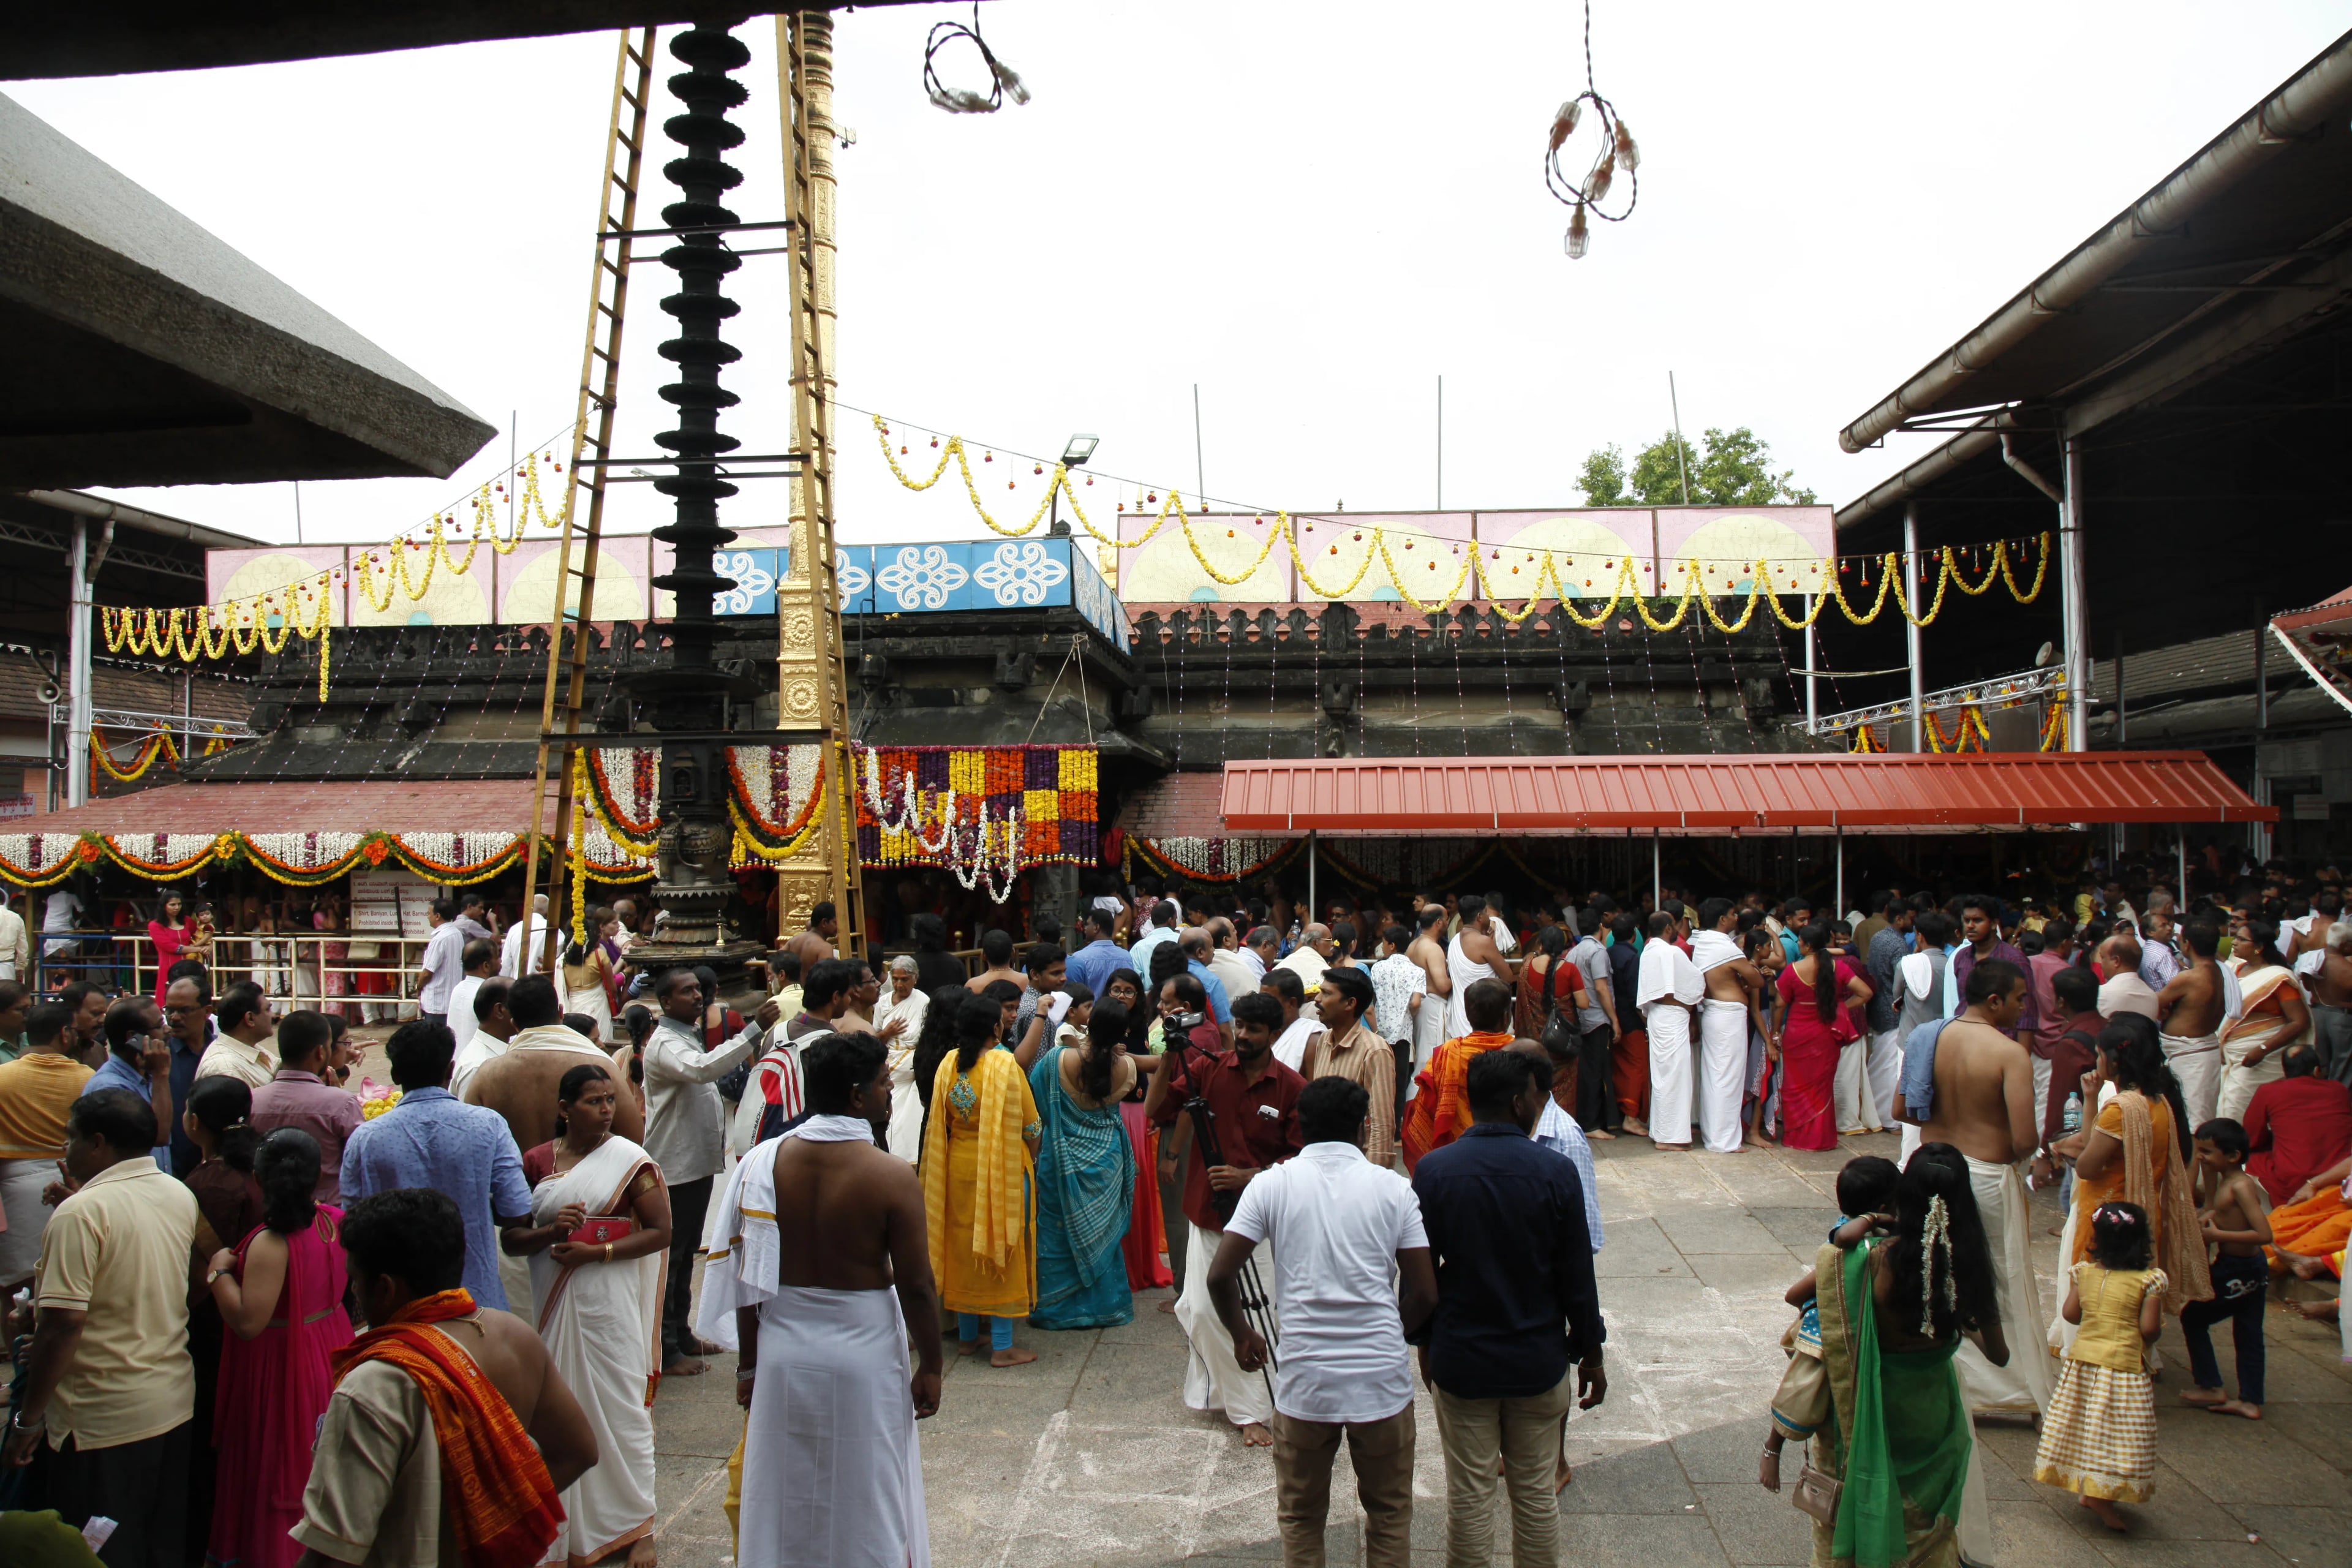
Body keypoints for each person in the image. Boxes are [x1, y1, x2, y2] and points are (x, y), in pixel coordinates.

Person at [695, 1031, 943, 1568]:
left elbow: (748, 1274)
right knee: (868, 1485)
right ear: (857, 1097)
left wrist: (749, 1364)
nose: (890, 1094)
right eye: (882, 1084)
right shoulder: (891, 1176)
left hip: (784, 1347)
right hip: (864, 1351)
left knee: (790, 1490)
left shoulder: (764, 1163)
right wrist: (932, 1364)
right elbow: (917, 1286)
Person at [291, 1187, 595, 1568]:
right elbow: (579, 1451)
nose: (353, 1290)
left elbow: (331, 1552)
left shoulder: (373, 1385)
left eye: (355, 1279)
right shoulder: (515, 1336)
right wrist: (490, 1522)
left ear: (384, 1287)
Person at [1207, 1076, 1435, 1568]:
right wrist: (1390, 1335)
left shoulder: (1272, 1184)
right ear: (1364, 1126)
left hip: (1304, 1382)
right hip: (1381, 1383)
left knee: (1301, 1517)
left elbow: (1220, 1274)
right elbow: (1424, 1291)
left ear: (1301, 1126)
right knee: (1390, 1514)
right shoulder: (1395, 1190)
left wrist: (1242, 1334)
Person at [1411, 1047, 1606, 1568]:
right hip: (1537, 1356)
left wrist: (1424, 1341)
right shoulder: (1555, 1172)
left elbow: (1420, 1276)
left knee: (1470, 1500)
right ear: (1521, 1102)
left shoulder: (1433, 1171)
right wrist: (1591, 1351)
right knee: (1536, 1497)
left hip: (1462, 1354)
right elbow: (1577, 1277)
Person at [1, 1089, 202, 1567]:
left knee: (98, 1549)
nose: (63, 1151)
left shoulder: (81, 1214)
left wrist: (27, 1421)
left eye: (68, 1139)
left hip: (101, 1420)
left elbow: (61, 1327)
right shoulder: (176, 1191)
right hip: (171, 1401)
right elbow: (186, 1281)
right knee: (157, 1541)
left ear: (96, 1144)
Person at [503, 1063, 671, 1568]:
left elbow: (660, 1232)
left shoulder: (630, 1161)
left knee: (622, 1411)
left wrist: (595, 1255)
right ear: (564, 1109)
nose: (605, 1111)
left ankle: (639, 1523)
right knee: (556, 1413)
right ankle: (561, 1527)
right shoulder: (536, 1161)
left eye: (609, 1101)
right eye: (593, 1102)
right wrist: (553, 1231)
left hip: (609, 1308)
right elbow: (513, 1238)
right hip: (551, 1302)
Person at [1803, 1142, 2000, 1568]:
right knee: (1923, 1516)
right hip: (1931, 1408)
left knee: (1864, 1495)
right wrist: (1959, 1320)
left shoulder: (1872, 1258)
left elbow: (1801, 1293)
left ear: (1903, 1195)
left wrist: (1871, 1221)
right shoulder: (1966, 1268)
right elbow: (1998, 1355)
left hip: (1872, 1399)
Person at [1145, 974, 1305, 1444]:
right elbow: (1158, 1108)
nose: (1247, 1036)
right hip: (1208, 1213)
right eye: (1241, 1027)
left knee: (1257, 1314)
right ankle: (1223, 1393)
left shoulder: (1292, 1088)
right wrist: (1172, 1055)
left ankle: (1254, 1408)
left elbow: (1301, 1158)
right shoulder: (1210, 1069)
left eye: (1257, 1029)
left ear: (1275, 1035)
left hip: (1260, 1223)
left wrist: (1249, 1177)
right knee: (1198, 1310)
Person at [203, 1128, 353, 1568]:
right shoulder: (333, 1219)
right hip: (329, 1345)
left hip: (281, 1361)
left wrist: (217, 1274)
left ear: (257, 1177)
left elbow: (250, 1321)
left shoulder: (272, 1242)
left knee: (277, 1466)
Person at [1908, 958, 2051, 1419]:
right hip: (1986, 1174)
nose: (2024, 1007)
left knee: (1939, 1267)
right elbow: (2026, 1139)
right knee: (1996, 1272)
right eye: (2020, 999)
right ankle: (2009, 1387)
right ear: (1995, 1001)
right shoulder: (2010, 1054)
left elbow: (1908, 1109)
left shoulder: (1929, 1037)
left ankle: (1954, 1376)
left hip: (1931, 1167)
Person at [339, 1020, 536, 1313]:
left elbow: (351, 1226)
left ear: (395, 1073)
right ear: (450, 1069)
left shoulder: (367, 1139)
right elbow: (518, 1211)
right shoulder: (487, 1126)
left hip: (397, 1308)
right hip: (474, 1300)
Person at [641, 968, 780, 1375]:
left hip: (695, 1163)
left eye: (698, 990)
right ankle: (666, 1346)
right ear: (666, 1002)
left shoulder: (685, 1034)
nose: (697, 997)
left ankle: (680, 1333)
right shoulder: (666, 1043)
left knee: (685, 1256)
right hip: (675, 1165)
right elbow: (702, 1070)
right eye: (686, 992)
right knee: (674, 1255)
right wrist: (754, 1031)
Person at [2047, 1015, 2211, 1346]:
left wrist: (2063, 1148)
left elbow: (2088, 1167)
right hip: (2142, 1210)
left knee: (2097, 1291)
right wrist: (2091, 1098)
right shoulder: (2159, 1101)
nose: (2096, 1061)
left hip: (2108, 1214)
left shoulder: (2121, 1109)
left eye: (2099, 1054)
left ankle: (2093, 1355)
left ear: (2115, 1060)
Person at [2032, 1200, 2166, 1529]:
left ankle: (2090, 1488)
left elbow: (2071, 1314)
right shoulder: (2150, 1281)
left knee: (2086, 1428)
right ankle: (2099, 1496)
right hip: (2122, 1368)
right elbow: (2149, 1329)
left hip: (2083, 1366)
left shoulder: (2083, 1273)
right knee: (2118, 1435)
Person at [924, 995, 1042, 1367]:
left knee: (963, 1243)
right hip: (1002, 1167)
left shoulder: (949, 1063)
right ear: (996, 1028)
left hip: (957, 1166)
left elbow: (941, 1118)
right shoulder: (1005, 1064)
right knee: (1001, 1241)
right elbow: (1033, 1125)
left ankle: (969, 1337)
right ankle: (1003, 1346)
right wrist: (1033, 1157)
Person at [178, 1074, 262, 1562]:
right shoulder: (258, 1165)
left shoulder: (207, 1183)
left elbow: (196, 1277)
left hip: (219, 1326)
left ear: (193, 1122)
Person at [1027, 993, 1137, 1330]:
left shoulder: (1057, 1060)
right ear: (1122, 1033)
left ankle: (1056, 1309)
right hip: (1108, 1159)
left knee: (1056, 1232)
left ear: (1091, 1024)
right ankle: (1106, 1307)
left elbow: (1038, 1104)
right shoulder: (1127, 1068)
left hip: (1060, 1160)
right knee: (1102, 1231)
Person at [2179, 1121, 2271, 1421]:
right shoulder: (2226, 1180)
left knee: (2194, 1317)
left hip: (2241, 1268)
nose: (2202, 1157)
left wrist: (2219, 1237)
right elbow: (2214, 1208)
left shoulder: (2241, 1186)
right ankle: (2250, 1400)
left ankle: (2211, 1385)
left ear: (2232, 1156)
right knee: (2248, 1333)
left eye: (2208, 1152)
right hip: (2242, 1268)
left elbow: (2263, 1234)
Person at [0, 1003, 92, 1291]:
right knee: (72, 1280)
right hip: (77, 1181)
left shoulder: (3, 1077)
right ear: (65, 1034)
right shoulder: (89, 1078)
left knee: (18, 1289)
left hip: (15, 1187)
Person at [1770, 925, 1869, 1152]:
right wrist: (1840, 1009)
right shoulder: (1838, 968)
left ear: (1806, 944)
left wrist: (1776, 1031)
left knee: (1795, 1085)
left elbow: (1779, 1004)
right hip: (1826, 1034)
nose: (1797, 944)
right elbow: (1865, 993)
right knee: (1822, 1087)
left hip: (1797, 1033)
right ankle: (1821, 1139)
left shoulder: (1793, 970)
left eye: (1800, 942)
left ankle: (1798, 1137)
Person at [1400, 978, 1517, 1170]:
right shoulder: (1519, 1053)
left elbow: (1425, 1108)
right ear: (1507, 1017)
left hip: (1456, 1158)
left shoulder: (1447, 1054)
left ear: (1468, 1015)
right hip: (1511, 1155)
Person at [247, 1009, 361, 1205]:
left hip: (269, 1209)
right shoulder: (342, 1104)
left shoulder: (252, 1100)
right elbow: (358, 1163)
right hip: (328, 1217)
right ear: (320, 1052)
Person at [1302, 967, 1398, 1170]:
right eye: (1321, 991)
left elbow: (1382, 1125)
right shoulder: (1324, 1040)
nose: (1317, 999)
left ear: (1350, 1004)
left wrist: (1374, 1179)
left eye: (1327, 993)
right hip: (1323, 1164)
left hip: (1356, 1169)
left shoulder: (1375, 1051)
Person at [2217, 919, 2309, 1123]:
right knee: (2226, 1111)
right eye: (2236, 938)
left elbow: (2299, 1022)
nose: (2234, 943)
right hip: (2232, 1055)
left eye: (2242, 939)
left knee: (2237, 1114)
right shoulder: (2237, 971)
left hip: (2260, 1058)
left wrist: (2263, 1049)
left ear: (2259, 947)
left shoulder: (2278, 978)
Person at [2241, 1044, 2352, 1204]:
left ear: (2285, 1071)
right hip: (2338, 1173)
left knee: (2253, 1158)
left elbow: (2251, 1139)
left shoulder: (2268, 1091)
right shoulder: (2339, 1090)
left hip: (2292, 1178)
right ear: (2316, 1071)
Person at [80, 997, 176, 1168]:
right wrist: (161, 1075)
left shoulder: (147, 1074)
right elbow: (159, 1137)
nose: (167, 1029)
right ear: (134, 1038)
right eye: (159, 1025)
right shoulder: (110, 1087)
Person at [1637, 908, 1703, 1150]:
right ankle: (1670, 1138)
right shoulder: (1671, 952)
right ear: (1668, 928)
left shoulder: (1648, 951)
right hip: (1671, 1016)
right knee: (1676, 1077)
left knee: (1664, 1077)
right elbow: (1698, 981)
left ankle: (1661, 1132)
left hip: (1657, 1017)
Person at [2155, 916, 2228, 1129]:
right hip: (2197, 1052)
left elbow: (2154, 1004)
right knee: (2191, 1119)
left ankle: (2195, 1164)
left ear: (2187, 944)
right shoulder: (2221, 971)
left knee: (2194, 1124)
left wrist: (2164, 1009)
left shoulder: (2190, 977)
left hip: (2193, 1055)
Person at [1856, 895, 1913, 1134]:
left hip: (1878, 1004)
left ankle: (1876, 1113)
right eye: (1911, 917)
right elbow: (1902, 978)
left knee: (1881, 1061)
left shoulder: (1880, 937)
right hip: (1892, 1007)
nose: (1914, 922)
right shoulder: (1898, 944)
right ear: (1900, 919)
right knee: (1889, 1065)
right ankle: (1888, 1118)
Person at [1562, 919, 1620, 1137]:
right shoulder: (1598, 952)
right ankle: (1593, 1125)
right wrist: (1613, 1019)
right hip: (1597, 1017)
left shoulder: (1574, 952)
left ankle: (1589, 1121)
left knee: (1586, 1071)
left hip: (1580, 1017)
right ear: (1602, 926)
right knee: (1598, 1072)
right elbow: (1601, 987)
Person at [1441, 897, 1508, 1039]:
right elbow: (1508, 976)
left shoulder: (1454, 941)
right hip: (1484, 1019)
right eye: (1486, 912)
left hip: (1460, 1017)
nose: (1488, 916)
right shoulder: (1484, 942)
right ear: (1479, 916)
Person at [1405, 904, 1453, 1082]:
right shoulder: (1432, 948)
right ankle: (1420, 1107)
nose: (1448, 922)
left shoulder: (1413, 946)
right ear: (1439, 922)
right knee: (1430, 1063)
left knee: (1424, 1060)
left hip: (1420, 1008)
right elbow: (1442, 985)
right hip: (1432, 1008)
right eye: (1447, 919)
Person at [195, 984, 277, 1088]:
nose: (273, 1016)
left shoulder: (249, 1048)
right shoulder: (226, 1069)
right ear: (250, 1019)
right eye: (267, 1010)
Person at [444, 939, 499, 1060]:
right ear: (486, 966)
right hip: (479, 1065)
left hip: (457, 1064)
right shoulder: (488, 993)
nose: (501, 962)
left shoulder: (458, 989)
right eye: (497, 957)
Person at [559, 935, 617, 1045]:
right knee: (601, 1042)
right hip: (598, 1005)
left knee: (577, 1042)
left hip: (573, 1006)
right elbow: (613, 989)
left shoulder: (563, 959)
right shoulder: (598, 955)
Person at [415, 897, 464, 1028]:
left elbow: (427, 973)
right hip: (450, 1000)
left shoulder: (440, 939)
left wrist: (418, 987)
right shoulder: (456, 934)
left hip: (437, 1001)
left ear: (437, 916)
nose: (428, 917)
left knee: (434, 1040)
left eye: (429, 914)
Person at [146, 891, 189, 1008]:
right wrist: (197, 949)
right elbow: (171, 947)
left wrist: (208, 944)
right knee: (167, 996)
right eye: (172, 905)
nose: (177, 908)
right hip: (168, 966)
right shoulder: (155, 925)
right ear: (164, 906)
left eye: (179, 904)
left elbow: (200, 934)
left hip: (189, 964)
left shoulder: (187, 921)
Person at [780, 899, 839, 982]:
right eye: (835, 923)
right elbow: (826, 980)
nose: (838, 927)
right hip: (812, 994)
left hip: (793, 993)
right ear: (824, 923)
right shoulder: (824, 948)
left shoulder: (794, 940)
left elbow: (770, 963)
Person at [499, 891, 552, 979]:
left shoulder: (514, 929)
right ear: (548, 913)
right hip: (544, 986)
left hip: (517, 985)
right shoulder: (554, 930)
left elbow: (506, 964)